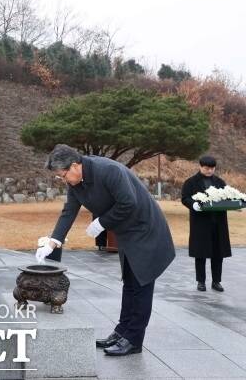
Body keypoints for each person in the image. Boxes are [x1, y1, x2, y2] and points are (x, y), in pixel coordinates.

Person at [37, 144, 175, 356]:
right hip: (127, 232)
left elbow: (128, 202)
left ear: (74, 165)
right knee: (129, 283)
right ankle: (122, 332)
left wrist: (102, 222)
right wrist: (53, 242)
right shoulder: (76, 183)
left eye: (63, 175)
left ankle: (134, 340)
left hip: (145, 228)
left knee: (141, 284)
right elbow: (69, 211)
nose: (63, 180)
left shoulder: (109, 171)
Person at [181, 155, 231, 292]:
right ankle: (201, 281)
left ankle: (216, 281)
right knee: (200, 253)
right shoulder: (191, 182)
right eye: (206, 168)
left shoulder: (220, 182)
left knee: (218, 253)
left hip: (218, 222)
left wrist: (233, 203)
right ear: (200, 166)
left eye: (212, 168)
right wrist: (193, 205)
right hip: (201, 223)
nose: (209, 171)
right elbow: (185, 198)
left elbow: (227, 196)